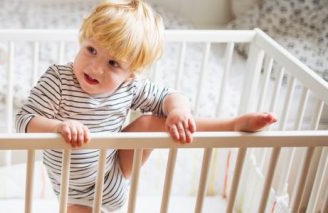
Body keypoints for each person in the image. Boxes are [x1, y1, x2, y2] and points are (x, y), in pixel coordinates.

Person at [14, 0, 277, 212]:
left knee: (156, 122)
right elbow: (24, 120)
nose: (95, 67)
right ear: (83, 40)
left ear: (131, 73)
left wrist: (178, 111)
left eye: (113, 63)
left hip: (114, 171)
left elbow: (170, 95)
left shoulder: (130, 86)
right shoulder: (59, 79)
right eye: (91, 50)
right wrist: (59, 126)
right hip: (76, 193)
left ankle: (232, 124)